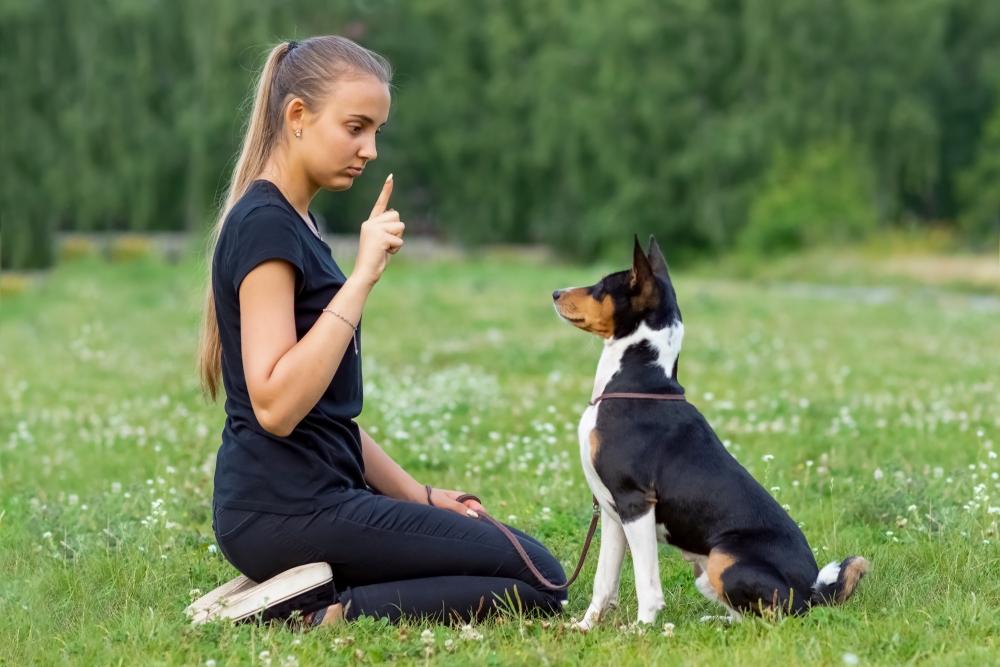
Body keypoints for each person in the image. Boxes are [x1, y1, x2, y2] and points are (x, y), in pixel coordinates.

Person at [195, 35, 567, 627]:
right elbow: (276, 406)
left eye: (377, 131)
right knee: (541, 579)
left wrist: (417, 496)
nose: (369, 149)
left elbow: (326, 414)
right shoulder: (265, 226)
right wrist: (362, 277)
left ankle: (296, 588)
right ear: (297, 116)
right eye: (355, 127)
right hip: (283, 511)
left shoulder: (297, 222)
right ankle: (318, 614)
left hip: (312, 503)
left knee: (524, 567)